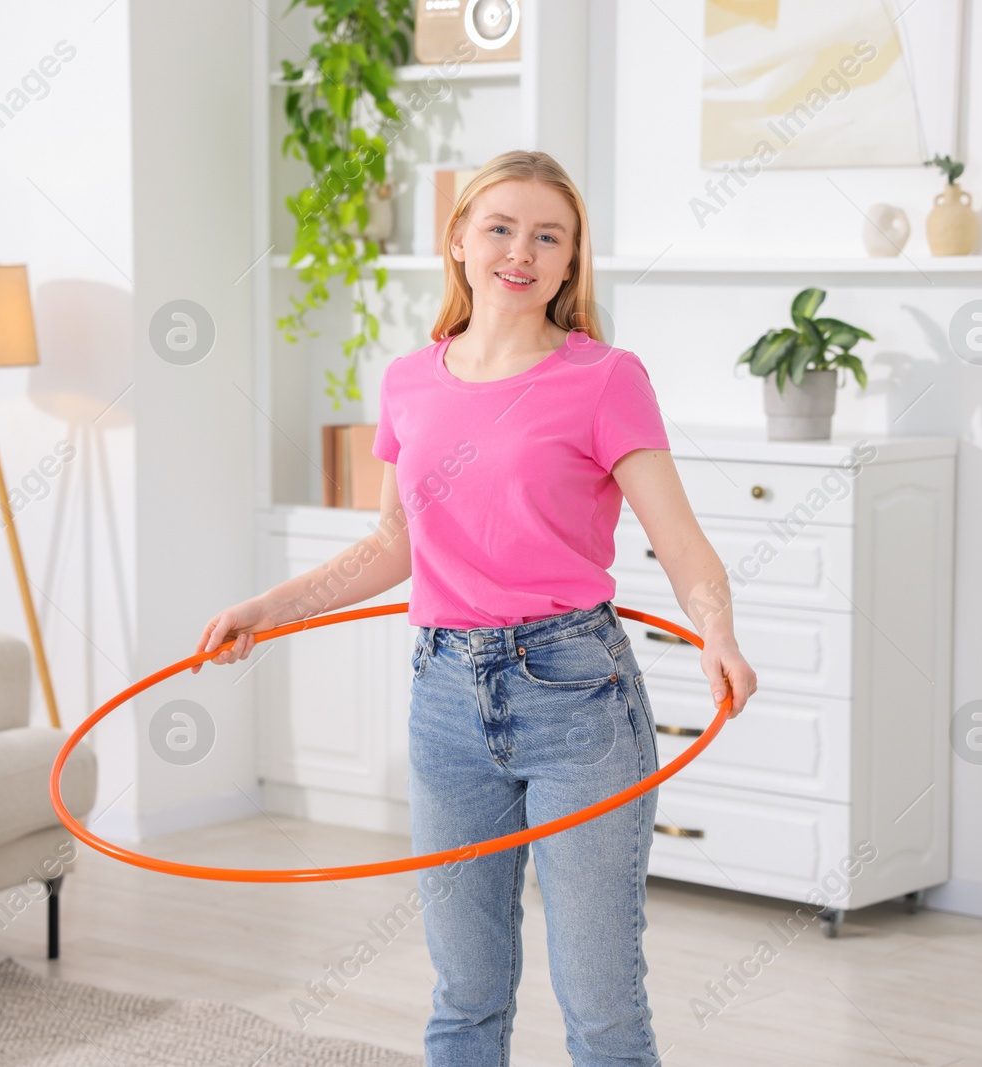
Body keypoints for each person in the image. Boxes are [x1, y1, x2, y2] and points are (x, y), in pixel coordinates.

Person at [194, 149, 757, 1067]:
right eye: (500, 227)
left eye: (549, 236)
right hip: (445, 695)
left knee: (602, 1005)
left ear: (572, 262)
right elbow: (393, 545)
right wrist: (269, 608)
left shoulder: (606, 378)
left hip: (577, 694)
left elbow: (680, 538)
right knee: (464, 995)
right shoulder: (411, 380)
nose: (521, 252)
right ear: (457, 240)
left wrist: (719, 629)